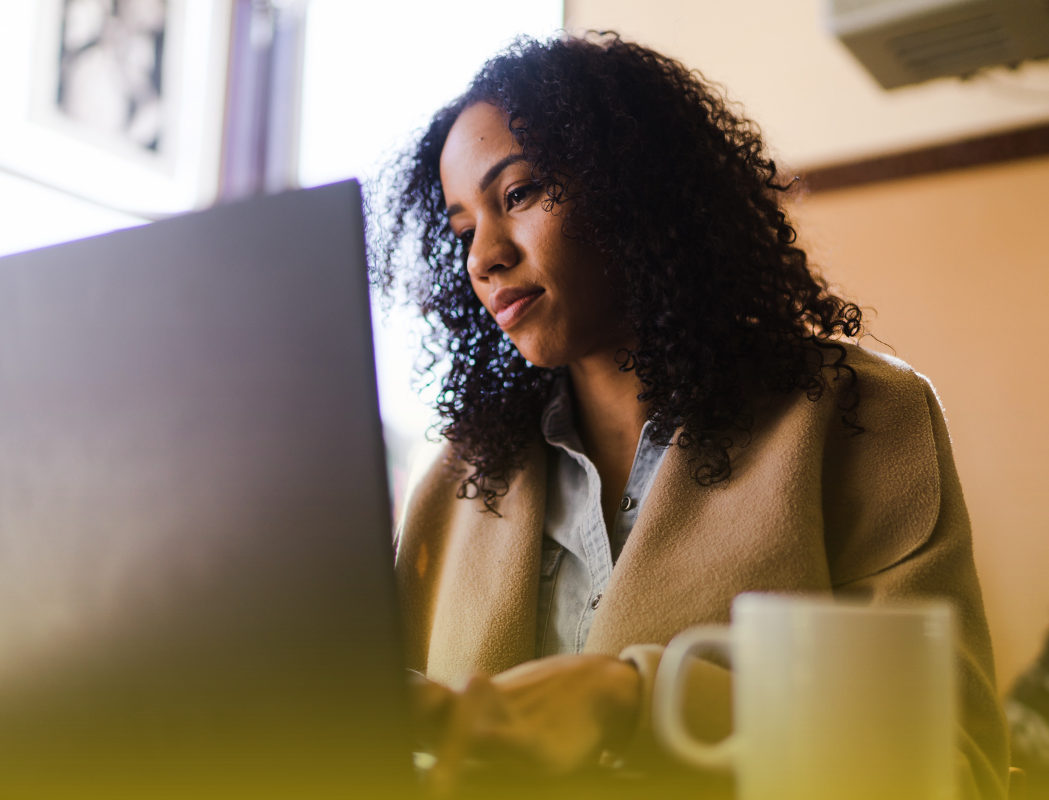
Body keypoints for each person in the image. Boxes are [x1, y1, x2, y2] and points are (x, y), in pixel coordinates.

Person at [381, 33, 1009, 800]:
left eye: (517, 195)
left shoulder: (858, 420)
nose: (485, 256)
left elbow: (954, 771)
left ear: (632, 187)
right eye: (463, 229)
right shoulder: (456, 478)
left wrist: (641, 701)